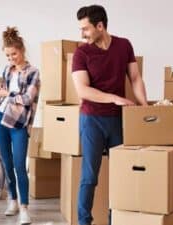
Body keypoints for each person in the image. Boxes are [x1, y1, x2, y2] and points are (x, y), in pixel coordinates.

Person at [71, 5, 148, 225]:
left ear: (100, 26)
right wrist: (113, 98)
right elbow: (83, 90)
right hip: (92, 120)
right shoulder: (81, 53)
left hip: (118, 120)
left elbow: (135, 78)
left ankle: (116, 220)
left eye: (85, 29)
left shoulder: (124, 45)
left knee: (121, 175)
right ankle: (84, 222)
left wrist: (144, 106)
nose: (82, 34)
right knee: (89, 177)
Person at [0, 26, 40, 225]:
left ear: (22, 50)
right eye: (8, 55)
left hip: (19, 124)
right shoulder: (7, 70)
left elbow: (29, 98)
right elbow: (2, 90)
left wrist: (8, 95)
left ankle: (24, 209)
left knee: (20, 166)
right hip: (0, 120)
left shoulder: (33, 72)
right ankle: (12, 200)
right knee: (7, 163)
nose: (11, 58)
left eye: (14, 53)